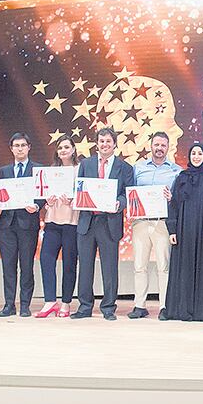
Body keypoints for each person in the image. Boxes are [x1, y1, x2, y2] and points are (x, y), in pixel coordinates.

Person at [72, 128, 134, 321]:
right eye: (101, 141)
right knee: (85, 267)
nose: (105, 144)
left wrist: (119, 203)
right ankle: (84, 306)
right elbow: (79, 188)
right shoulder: (86, 164)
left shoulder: (125, 168)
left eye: (108, 141)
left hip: (110, 222)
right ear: (96, 144)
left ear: (115, 144)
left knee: (109, 268)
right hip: (87, 222)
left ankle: (108, 307)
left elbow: (127, 194)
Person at [163, 143, 203, 322]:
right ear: (189, 156)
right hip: (184, 230)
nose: (197, 156)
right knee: (184, 266)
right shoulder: (181, 177)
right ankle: (183, 310)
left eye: (200, 153)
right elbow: (174, 204)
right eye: (194, 153)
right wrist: (172, 229)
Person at [128, 132, 181, 319]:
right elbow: (130, 192)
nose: (159, 148)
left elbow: (180, 200)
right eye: (156, 144)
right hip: (141, 222)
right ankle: (139, 305)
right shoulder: (138, 168)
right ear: (151, 146)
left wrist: (172, 197)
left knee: (163, 266)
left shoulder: (176, 171)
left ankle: (164, 306)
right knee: (139, 266)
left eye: (163, 145)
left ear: (168, 147)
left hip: (162, 223)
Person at [0, 133, 45, 317]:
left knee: (26, 265)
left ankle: (25, 304)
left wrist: (37, 205)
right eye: (16, 145)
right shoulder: (4, 170)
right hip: (7, 224)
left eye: (23, 145)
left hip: (28, 224)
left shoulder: (38, 169)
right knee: (8, 266)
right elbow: (1, 195)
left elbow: (43, 194)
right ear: (11, 148)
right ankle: (8, 304)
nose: (20, 148)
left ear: (29, 147)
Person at [36, 135, 80, 318]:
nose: (63, 150)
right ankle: (50, 301)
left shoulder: (80, 170)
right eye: (60, 147)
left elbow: (86, 194)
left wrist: (73, 199)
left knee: (69, 264)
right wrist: (47, 200)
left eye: (66, 147)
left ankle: (66, 303)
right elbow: (42, 195)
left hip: (72, 222)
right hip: (52, 221)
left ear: (73, 149)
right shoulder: (51, 171)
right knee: (46, 260)